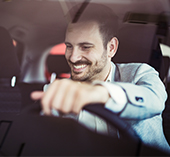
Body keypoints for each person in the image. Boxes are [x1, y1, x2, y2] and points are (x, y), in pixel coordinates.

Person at [31, 3, 170, 152]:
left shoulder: (138, 73)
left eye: (85, 47)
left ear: (111, 48)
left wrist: (99, 93)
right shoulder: (58, 91)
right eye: (69, 46)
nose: (73, 57)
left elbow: (155, 99)